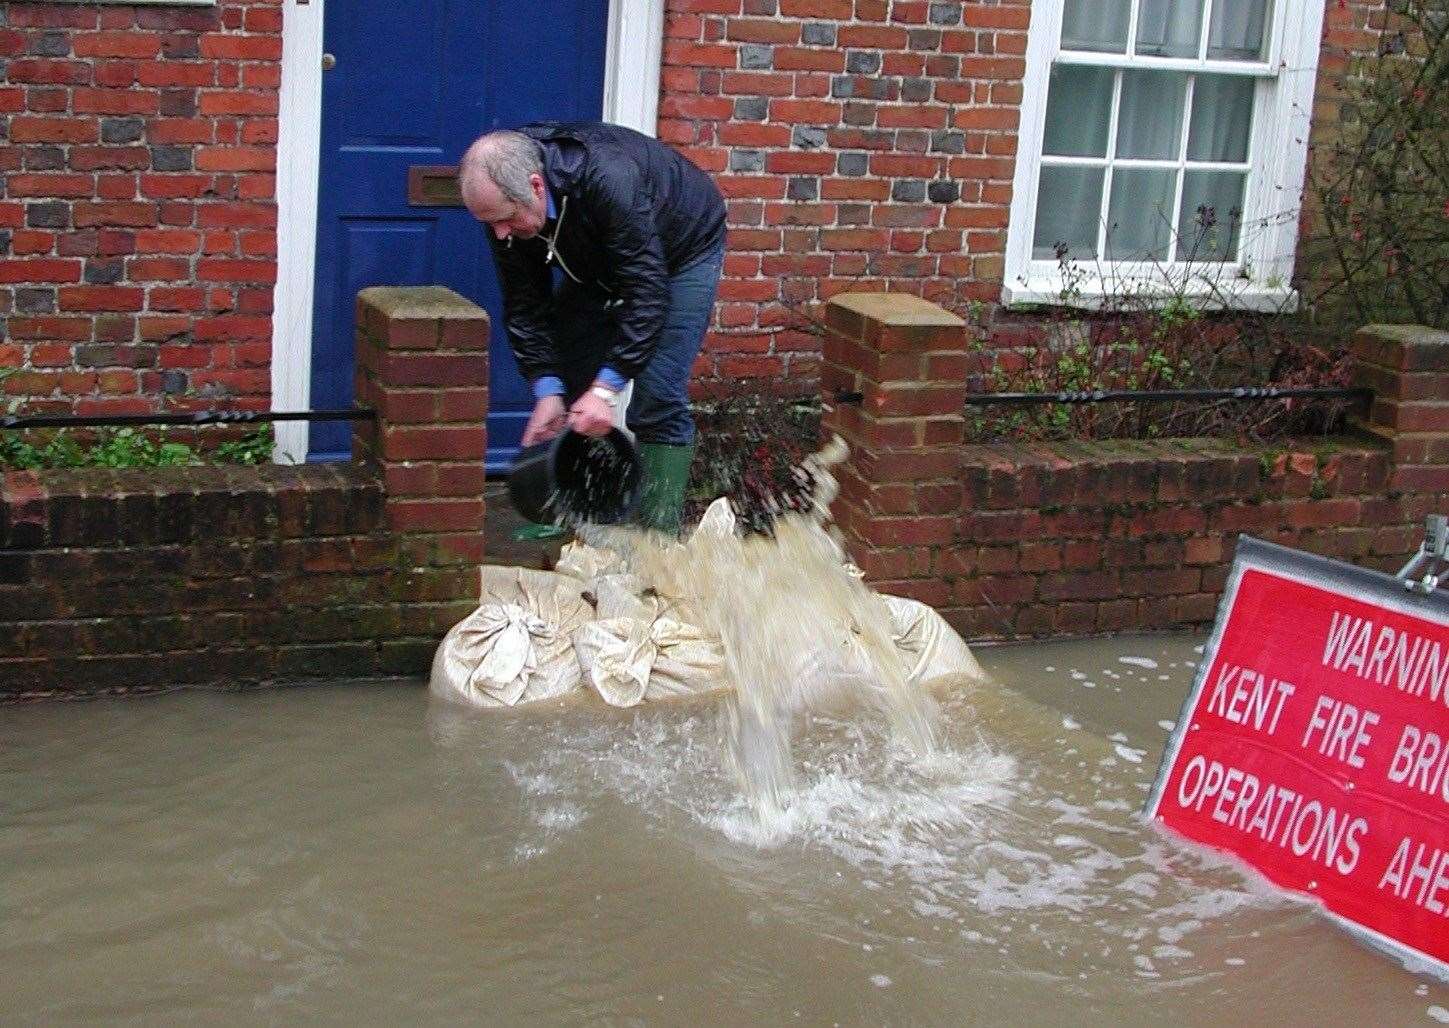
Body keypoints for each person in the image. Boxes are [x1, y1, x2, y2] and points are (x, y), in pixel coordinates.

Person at [458, 122, 727, 534]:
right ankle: (575, 513)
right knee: (567, 374)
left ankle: (658, 541)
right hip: (601, 257)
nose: (500, 234)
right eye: (490, 224)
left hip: (681, 250)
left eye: (506, 220)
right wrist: (547, 389)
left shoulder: (608, 178)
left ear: (535, 186)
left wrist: (605, 390)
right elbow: (525, 303)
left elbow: (647, 292)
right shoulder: (507, 209)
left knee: (658, 392)